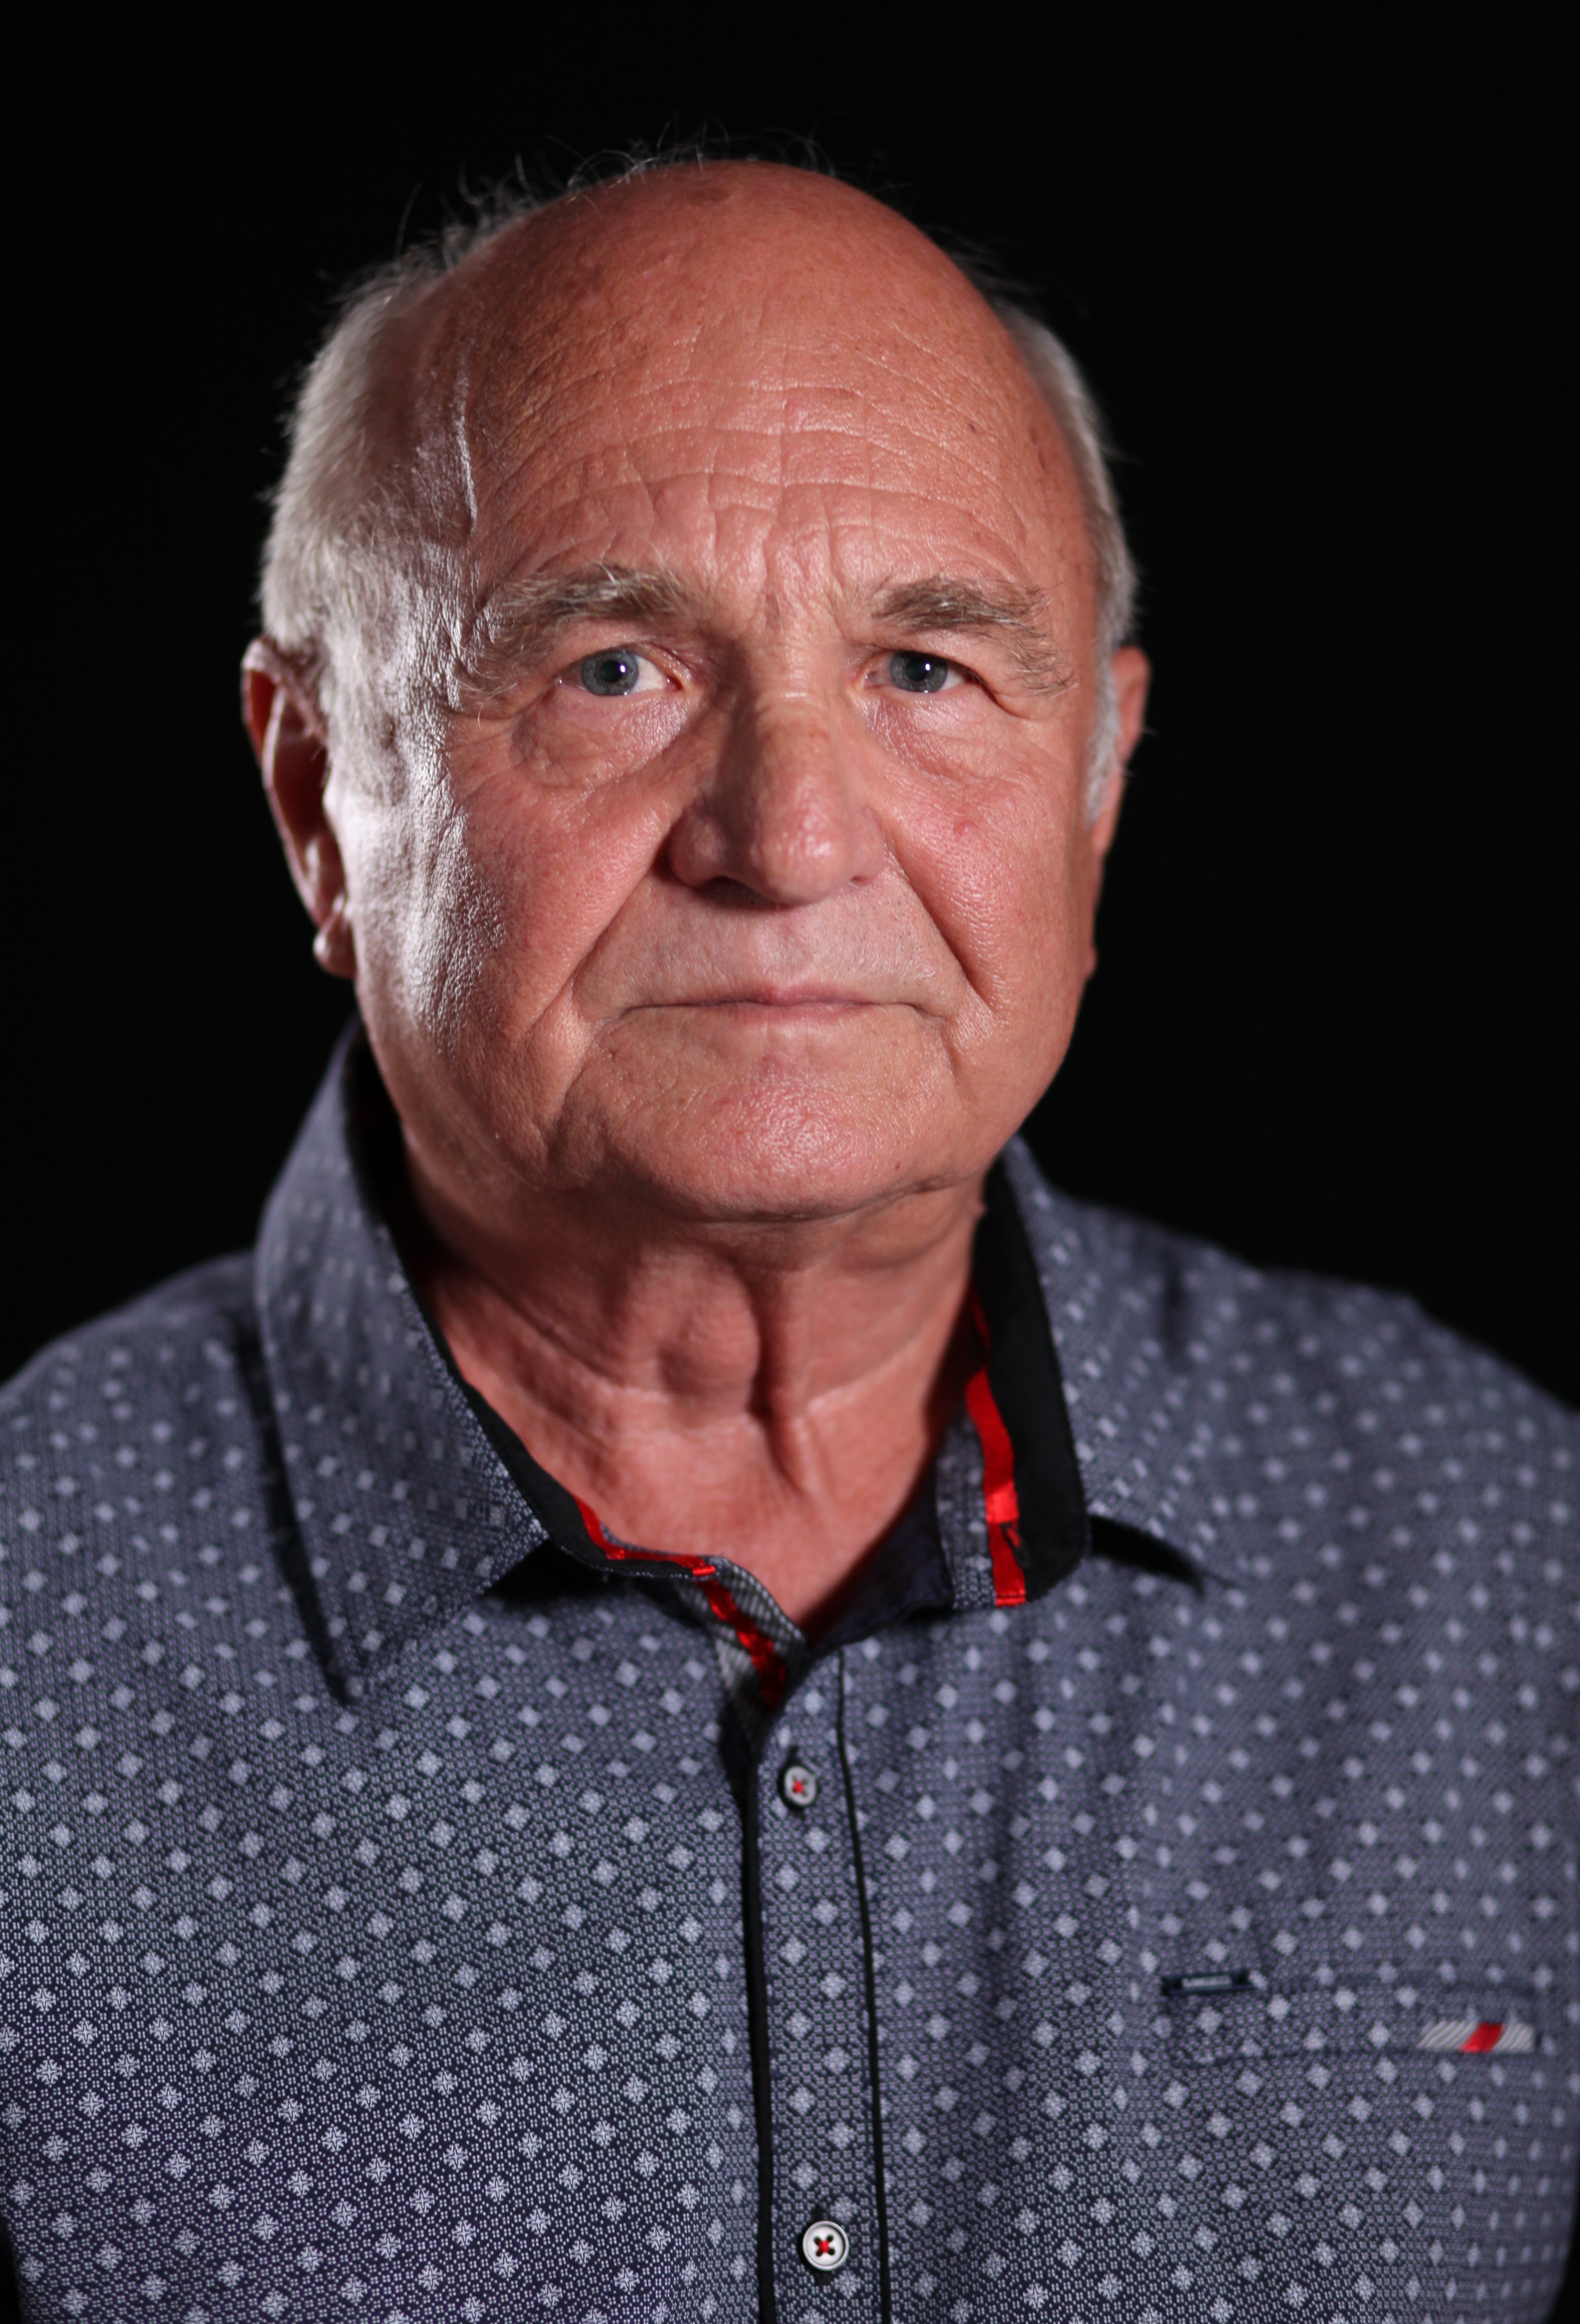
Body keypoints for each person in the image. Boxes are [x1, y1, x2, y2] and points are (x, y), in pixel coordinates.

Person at [2, 158, 1574, 2324]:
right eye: (615, 667)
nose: (791, 835)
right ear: (314, 800)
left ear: (1097, 782)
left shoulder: (1498, 1548)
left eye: (925, 666)